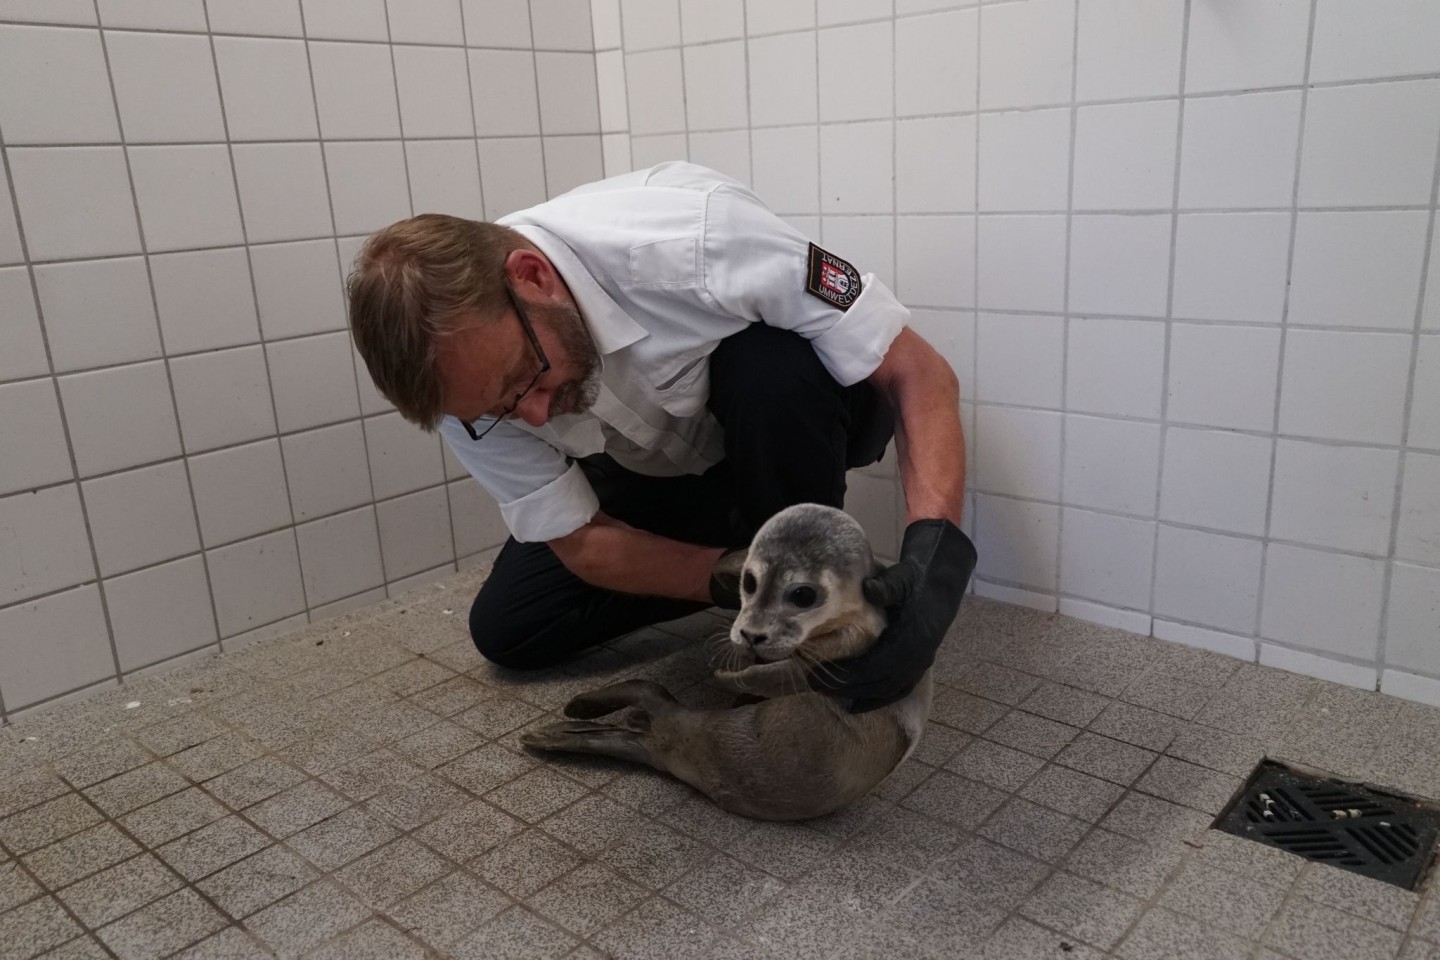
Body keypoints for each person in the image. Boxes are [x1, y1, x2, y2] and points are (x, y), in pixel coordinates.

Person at [346, 162, 976, 711]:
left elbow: (918, 374)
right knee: (512, 627)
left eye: (524, 379)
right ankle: (775, 575)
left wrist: (934, 565)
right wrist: (735, 577)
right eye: (499, 411)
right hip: (662, 470)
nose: (533, 417)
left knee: (774, 367)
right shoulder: (467, 393)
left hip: (790, 426)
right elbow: (581, 541)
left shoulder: (697, 241)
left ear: (532, 277)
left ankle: (814, 599)